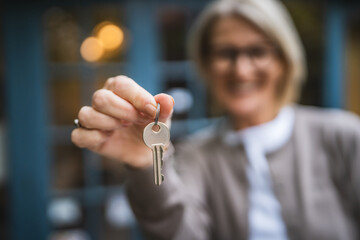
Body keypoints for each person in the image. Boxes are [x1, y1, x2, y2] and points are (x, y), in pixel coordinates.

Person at [71, 0, 360, 239]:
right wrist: (144, 163)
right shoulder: (196, 156)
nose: (242, 70)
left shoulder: (342, 135)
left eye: (257, 51)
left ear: (283, 60)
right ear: (206, 64)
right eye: (226, 53)